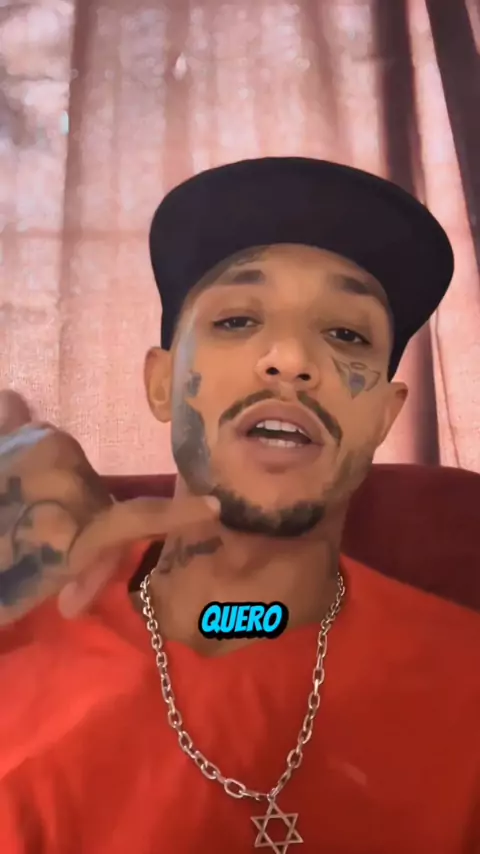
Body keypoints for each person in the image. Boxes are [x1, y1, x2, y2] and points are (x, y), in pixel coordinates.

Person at [0, 157, 479, 854]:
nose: (289, 357)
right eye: (236, 319)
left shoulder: (466, 683)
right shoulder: (19, 636)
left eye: (346, 334)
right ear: (161, 383)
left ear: (383, 413)